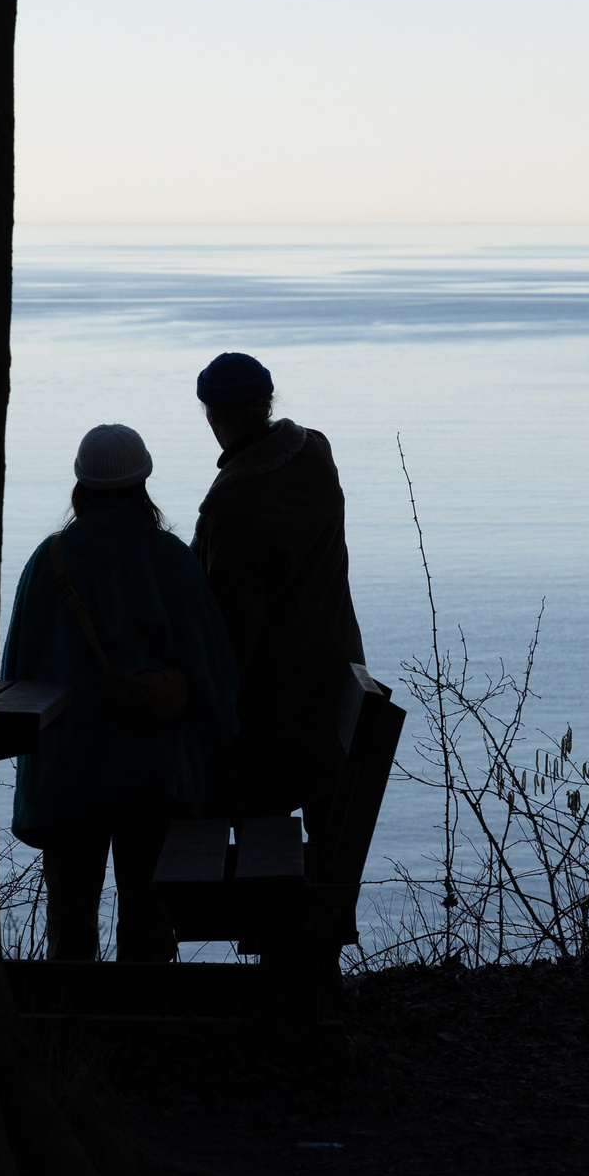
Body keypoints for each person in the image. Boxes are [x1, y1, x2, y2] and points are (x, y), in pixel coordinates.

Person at [2, 423, 237, 962]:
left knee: (69, 916)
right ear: (143, 483)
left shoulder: (49, 560)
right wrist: (214, 744)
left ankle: (71, 1028)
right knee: (150, 914)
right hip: (152, 770)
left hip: (66, 770)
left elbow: (16, 669)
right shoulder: (169, 559)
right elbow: (211, 671)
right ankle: (144, 1025)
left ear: (80, 487)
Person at [189, 351, 366, 828]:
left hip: (274, 725)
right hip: (334, 692)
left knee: (199, 803)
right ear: (267, 403)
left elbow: (231, 636)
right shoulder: (316, 454)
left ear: (215, 415)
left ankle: (245, 904)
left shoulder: (236, 507)